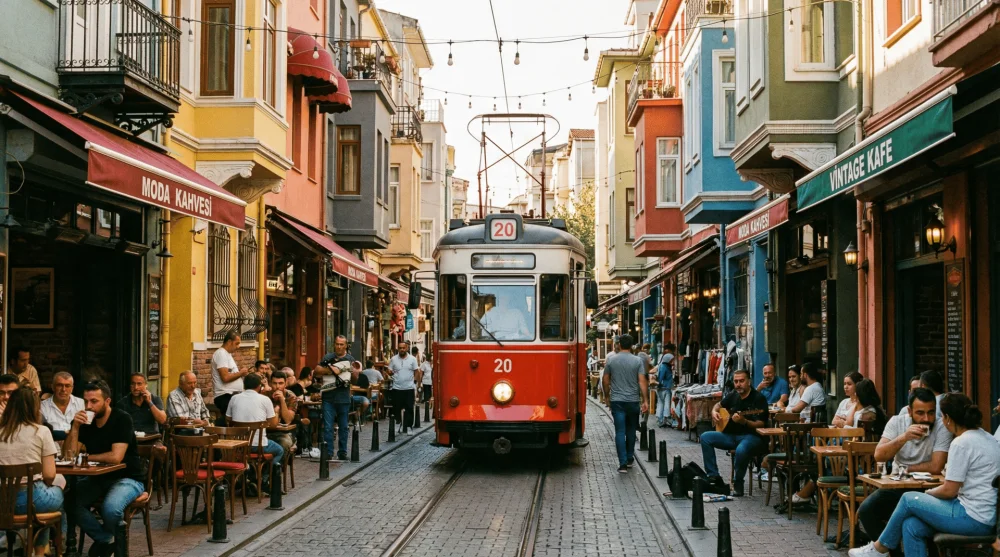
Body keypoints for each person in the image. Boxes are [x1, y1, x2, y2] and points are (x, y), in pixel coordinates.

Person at [850, 394, 1000, 557]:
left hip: (972, 517)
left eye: (939, 415)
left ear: (948, 418)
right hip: (984, 515)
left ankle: (880, 548)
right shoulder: (988, 437)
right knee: (911, 525)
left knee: (909, 499)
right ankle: (881, 548)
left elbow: (949, 490)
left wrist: (927, 495)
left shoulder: (961, 442)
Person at [856, 388, 952, 544]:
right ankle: (892, 553)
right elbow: (879, 455)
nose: (926, 418)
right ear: (909, 411)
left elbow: (936, 466)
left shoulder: (942, 426)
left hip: (928, 489)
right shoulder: (897, 422)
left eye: (931, 412)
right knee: (867, 511)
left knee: (916, 522)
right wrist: (903, 437)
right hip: (898, 486)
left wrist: (904, 468)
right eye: (920, 413)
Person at [64, 381, 144, 557]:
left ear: (107, 401)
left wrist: (85, 457)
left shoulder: (121, 418)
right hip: (98, 478)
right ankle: (106, 539)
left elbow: (116, 457)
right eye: (85, 402)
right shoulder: (84, 421)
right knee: (69, 501)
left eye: (94, 401)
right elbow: (69, 456)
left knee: (110, 509)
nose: (88, 406)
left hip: (128, 478)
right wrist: (75, 427)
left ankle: (115, 546)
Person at [0, 388, 64, 556]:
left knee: (40, 502)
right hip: (30, 500)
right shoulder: (41, 431)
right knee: (58, 487)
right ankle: (41, 550)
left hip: (2, 502)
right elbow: (49, 475)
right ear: (35, 408)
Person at [702, 369, 769, 496]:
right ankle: (713, 476)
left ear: (749, 381)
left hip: (752, 437)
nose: (738, 384)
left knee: (741, 449)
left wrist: (744, 422)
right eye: (736, 381)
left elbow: (761, 424)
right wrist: (714, 412)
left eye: (742, 381)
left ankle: (738, 483)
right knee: (705, 437)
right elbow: (718, 405)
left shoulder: (758, 399)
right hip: (731, 436)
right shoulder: (733, 395)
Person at [601, 334, 649, 473]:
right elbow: (642, 381)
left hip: (617, 401)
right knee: (631, 430)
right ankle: (629, 458)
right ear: (632, 345)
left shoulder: (611, 360)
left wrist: (607, 397)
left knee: (620, 431)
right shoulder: (637, 361)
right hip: (633, 401)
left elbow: (605, 380)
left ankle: (622, 463)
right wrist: (645, 400)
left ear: (619, 344)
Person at [226, 373, 282, 465]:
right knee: (280, 450)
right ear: (259, 386)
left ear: (244, 385)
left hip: (238, 444)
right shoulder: (265, 399)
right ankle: (265, 475)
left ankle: (251, 471)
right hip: (258, 446)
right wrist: (276, 412)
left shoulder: (234, 399)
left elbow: (228, 419)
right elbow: (273, 424)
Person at [314, 335, 355, 460]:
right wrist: (333, 370)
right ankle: (328, 452)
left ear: (346, 345)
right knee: (328, 426)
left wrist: (348, 371)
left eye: (341, 344)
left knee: (343, 427)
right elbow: (316, 371)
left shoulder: (350, 359)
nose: (339, 346)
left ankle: (342, 452)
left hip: (343, 397)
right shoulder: (328, 357)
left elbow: (354, 377)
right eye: (337, 344)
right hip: (328, 397)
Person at [211, 331, 250, 426]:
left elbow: (231, 374)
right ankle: (213, 426)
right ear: (229, 341)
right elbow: (225, 377)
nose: (238, 346)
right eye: (236, 343)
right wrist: (241, 373)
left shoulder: (227, 354)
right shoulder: (221, 354)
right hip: (225, 395)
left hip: (232, 395)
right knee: (233, 420)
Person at [41, 371, 85, 436]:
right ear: (52, 387)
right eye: (59, 385)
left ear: (72, 388)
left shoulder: (81, 403)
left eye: (67, 386)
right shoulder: (42, 406)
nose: (63, 389)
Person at [388, 341, 418, 434]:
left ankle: (409, 426)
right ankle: (399, 423)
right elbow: (389, 370)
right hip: (397, 388)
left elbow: (416, 371)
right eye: (400, 348)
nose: (401, 349)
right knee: (396, 407)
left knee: (409, 408)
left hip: (409, 388)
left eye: (403, 348)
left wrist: (415, 382)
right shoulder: (393, 359)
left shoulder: (412, 359)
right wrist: (390, 372)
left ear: (407, 348)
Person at [268, 370, 297, 459]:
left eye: (280, 383)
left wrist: (282, 400)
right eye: (274, 383)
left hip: (285, 433)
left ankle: (276, 469)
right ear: (270, 383)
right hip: (266, 432)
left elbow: (288, 419)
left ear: (285, 384)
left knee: (283, 443)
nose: (277, 386)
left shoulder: (291, 396)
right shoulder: (265, 395)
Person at [655, 344, 676, 428]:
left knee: (661, 403)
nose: (672, 362)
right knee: (666, 403)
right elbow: (661, 377)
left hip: (662, 388)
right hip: (665, 388)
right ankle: (664, 419)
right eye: (671, 360)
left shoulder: (663, 366)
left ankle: (660, 419)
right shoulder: (664, 367)